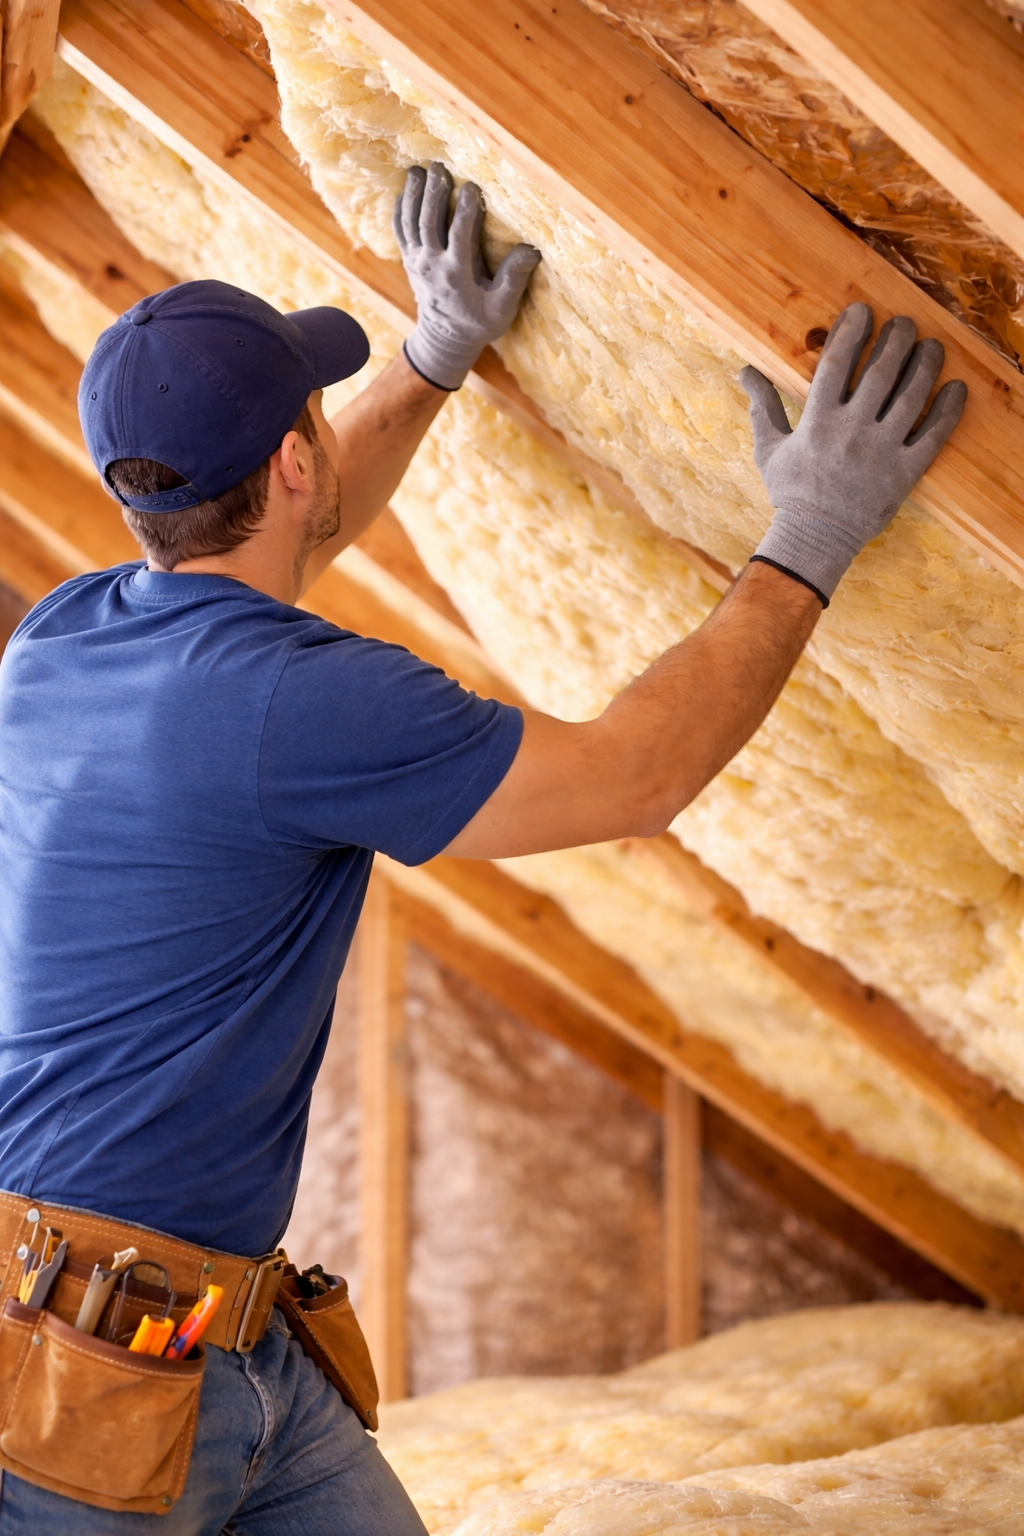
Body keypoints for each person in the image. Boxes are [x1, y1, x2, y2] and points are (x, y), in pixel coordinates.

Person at [0, 161, 965, 1532]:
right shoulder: (304, 701)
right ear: (289, 456)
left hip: (204, 1340)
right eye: (314, 419)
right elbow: (639, 777)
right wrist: (809, 533)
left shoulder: (71, 636)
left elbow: (291, 544)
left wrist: (435, 359)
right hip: (82, 1400)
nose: (326, 438)